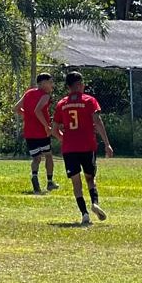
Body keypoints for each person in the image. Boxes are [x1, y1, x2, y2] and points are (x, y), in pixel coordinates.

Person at [52, 70, 114, 225]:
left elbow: (53, 129)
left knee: (75, 181)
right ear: (79, 84)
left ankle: (84, 214)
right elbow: (97, 122)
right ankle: (94, 203)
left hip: (69, 148)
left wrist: (64, 139)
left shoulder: (62, 104)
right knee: (90, 179)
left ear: (68, 86)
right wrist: (107, 143)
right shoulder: (89, 100)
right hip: (87, 146)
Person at [15, 73, 57, 194]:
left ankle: (34, 176)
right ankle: (50, 182)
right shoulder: (45, 95)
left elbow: (16, 108)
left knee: (36, 158)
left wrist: (27, 116)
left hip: (29, 132)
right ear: (43, 83)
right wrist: (46, 126)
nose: (51, 85)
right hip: (41, 132)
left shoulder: (28, 93)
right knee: (48, 155)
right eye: (50, 82)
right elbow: (37, 110)